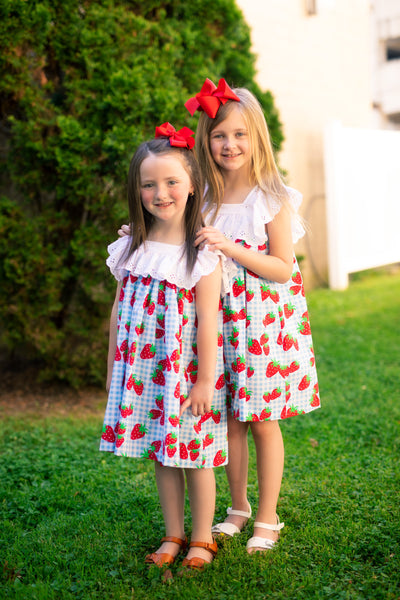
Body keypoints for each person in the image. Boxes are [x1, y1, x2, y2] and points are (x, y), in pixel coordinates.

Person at [184, 78, 321, 553]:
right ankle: (238, 508)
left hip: (264, 322)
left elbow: (283, 268)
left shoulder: (271, 195)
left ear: (256, 138)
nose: (230, 144)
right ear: (207, 140)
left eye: (240, 134)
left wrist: (230, 247)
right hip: (215, 319)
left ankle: (268, 516)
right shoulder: (200, 194)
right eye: (220, 135)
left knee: (262, 418)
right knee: (230, 419)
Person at [100, 122, 228, 571]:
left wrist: (205, 380)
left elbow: (208, 323)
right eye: (149, 184)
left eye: (172, 181)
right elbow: (120, 309)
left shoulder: (202, 254)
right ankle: (172, 532)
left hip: (187, 376)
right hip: (144, 373)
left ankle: (201, 538)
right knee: (163, 454)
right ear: (137, 191)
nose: (161, 192)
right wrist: (115, 365)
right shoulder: (130, 246)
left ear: (192, 186)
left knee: (195, 456)